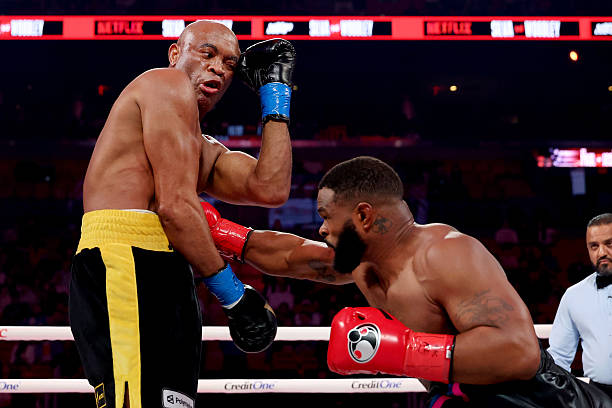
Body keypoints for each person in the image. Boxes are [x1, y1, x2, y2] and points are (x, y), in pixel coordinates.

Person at [200, 156, 612, 407]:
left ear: (363, 216)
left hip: (540, 400)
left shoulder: (446, 254)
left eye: (326, 217)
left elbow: (519, 353)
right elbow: (291, 256)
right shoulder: (362, 264)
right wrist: (220, 233)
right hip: (459, 396)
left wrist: (402, 352)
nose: (321, 229)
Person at [69, 20, 295, 408]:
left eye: (230, 63)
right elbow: (174, 206)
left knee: (169, 401)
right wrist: (234, 296)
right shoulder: (165, 83)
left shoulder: (200, 147)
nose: (218, 68)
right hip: (127, 258)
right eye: (207, 54)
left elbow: (270, 187)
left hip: (165, 267)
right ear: (175, 53)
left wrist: (275, 95)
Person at [548, 213, 612, 399]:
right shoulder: (574, 296)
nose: (601, 252)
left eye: (609, 243)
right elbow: (559, 357)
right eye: (594, 246)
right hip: (598, 396)